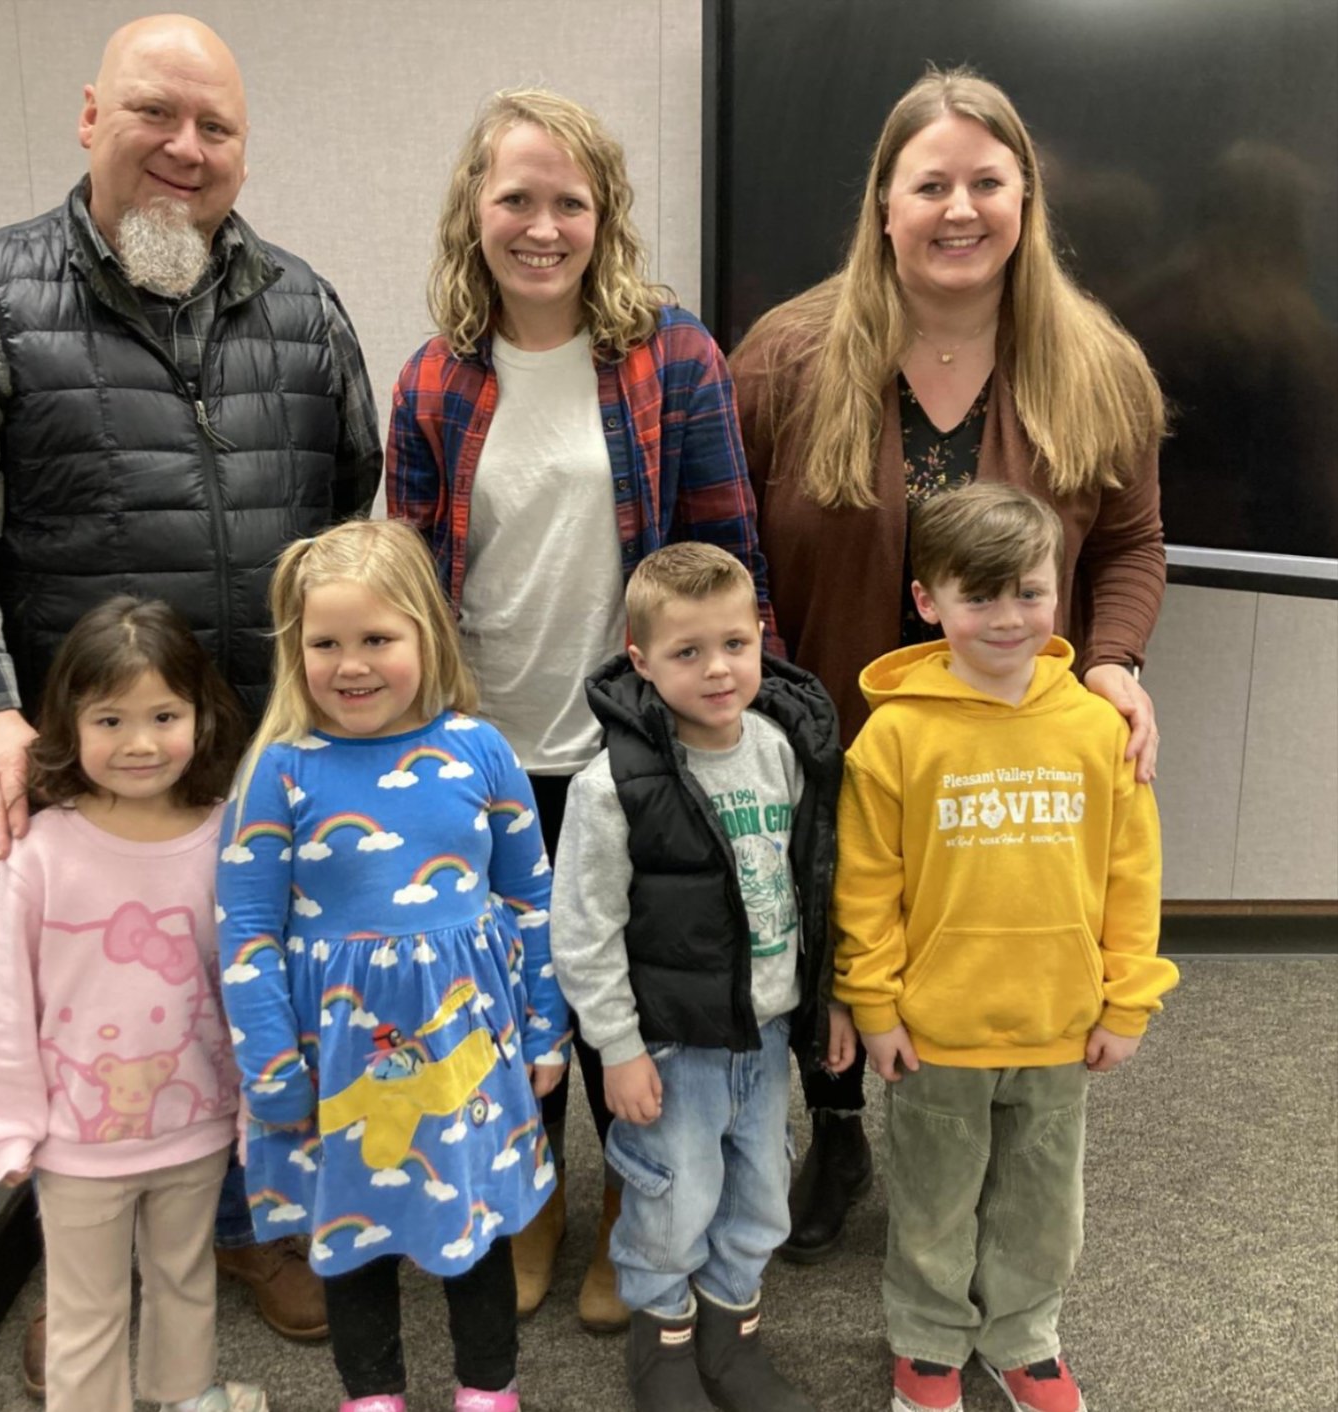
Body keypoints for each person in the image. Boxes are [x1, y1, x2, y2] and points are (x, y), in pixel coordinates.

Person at [0, 13, 380, 1376]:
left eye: (216, 128)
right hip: (93, 769)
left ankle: (248, 1223)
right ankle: (86, 1260)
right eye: (157, 115)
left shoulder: (306, 306)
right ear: (91, 117)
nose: (186, 148)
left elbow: (345, 502)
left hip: (261, 755)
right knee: (107, 1023)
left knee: (251, 998)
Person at [727, 66, 1168, 1263]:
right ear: (884, 203)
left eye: (987, 181)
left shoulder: (1099, 367)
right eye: (930, 183)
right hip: (833, 727)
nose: (958, 207)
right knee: (836, 931)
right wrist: (754, 685)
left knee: (981, 942)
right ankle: (840, 1138)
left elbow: (1129, 545)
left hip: (1012, 743)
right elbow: (723, 540)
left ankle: (971, 1150)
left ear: (1027, 198)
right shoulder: (784, 356)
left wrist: (1117, 660)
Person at [387, 87, 776, 1329]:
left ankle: (632, 1207)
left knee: (633, 984)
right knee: (507, 994)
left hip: (630, 741)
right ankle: (532, 1198)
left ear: (602, 214)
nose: (541, 225)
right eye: (516, 198)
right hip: (483, 750)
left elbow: (725, 546)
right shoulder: (437, 378)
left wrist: (728, 719)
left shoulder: (672, 355)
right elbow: (405, 572)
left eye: (569, 200)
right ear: (475, 210)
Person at [831, 484, 1178, 1412]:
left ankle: (1023, 1338)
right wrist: (874, 1006)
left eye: (1027, 592)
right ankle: (927, 1343)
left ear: (1059, 590)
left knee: (1039, 1208)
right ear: (926, 602)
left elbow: (1130, 880)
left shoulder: (1099, 732)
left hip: (1058, 1025)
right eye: (976, 596)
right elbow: (866, 890)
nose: (1006, 617)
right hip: (937, 1029)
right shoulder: (895, 736)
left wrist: (1126, 1000)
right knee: (933, 1205)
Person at [217, 520, 570, 1412]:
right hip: (331, 1057)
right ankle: (371, 1394)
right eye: (324, 643)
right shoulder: (278, 770)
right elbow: (246, 929)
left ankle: (488, 1389)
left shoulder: (479, 751)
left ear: (426, 636)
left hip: (470, 1048)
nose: (350, 664)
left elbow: (532, 899)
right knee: (351, 1229)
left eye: (377, 639)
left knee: (477, 1223)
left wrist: (543, 1024)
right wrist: (268, 1064)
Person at [549, 543, 848, 1412]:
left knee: (758, 1196)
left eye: (734, 644)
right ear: (641, 660)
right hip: (673, 1041)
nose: (717, 669)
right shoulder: (612, 787)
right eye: (687, 653)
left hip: (762, 1030)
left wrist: (827, 999)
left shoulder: (787, 747)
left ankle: (730, 1337)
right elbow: (584, 930)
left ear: (760, 636)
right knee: (672, 1200)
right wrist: (615, 1047)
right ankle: (664, 1346)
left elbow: (818, 885)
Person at [0, 597, 265, 1412]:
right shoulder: (41, 851)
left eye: (163, 715)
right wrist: (7, 1122)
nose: (139, 743)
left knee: (185, 1277)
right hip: (76, 1144)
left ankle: (186, 1395)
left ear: (201, 718)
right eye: (110, 719)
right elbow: (4, 997)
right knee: (87, 1307)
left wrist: (254, 1108)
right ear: (68, 721)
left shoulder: (226, 836)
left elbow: (246, 986)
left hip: (197, 1125)